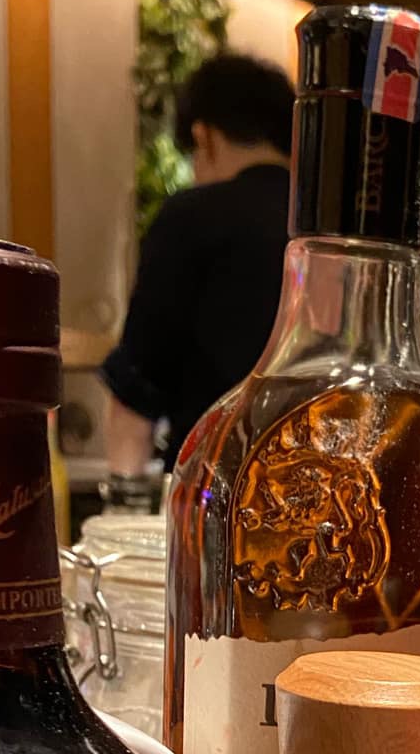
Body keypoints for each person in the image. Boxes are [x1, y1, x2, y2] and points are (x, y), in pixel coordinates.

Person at [103, 52, 294, 479]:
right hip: (320, 495)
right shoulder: (331, 229)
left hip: (208, 493)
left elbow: (138, 390)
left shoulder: (190, 218)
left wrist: (123, 494)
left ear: (203, 137)